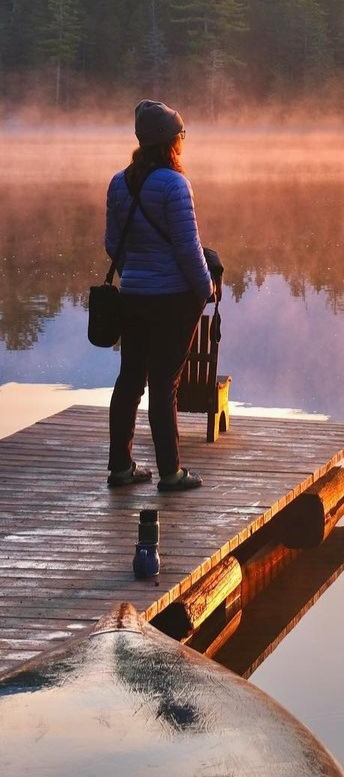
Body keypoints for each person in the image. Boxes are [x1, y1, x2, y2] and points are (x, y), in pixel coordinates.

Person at [105, 99, 214, 491]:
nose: (183, 141)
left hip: (133, 295)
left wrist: (134, 276)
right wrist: (205, 290)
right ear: (171, 141)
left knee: (130, 380)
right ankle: (170, 472)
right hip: (171, 299)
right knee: (165, 383)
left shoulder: (120, 182)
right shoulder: (174, 184)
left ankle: (120, 467)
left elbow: (113, 243)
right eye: (181, 135)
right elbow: (189, 248)